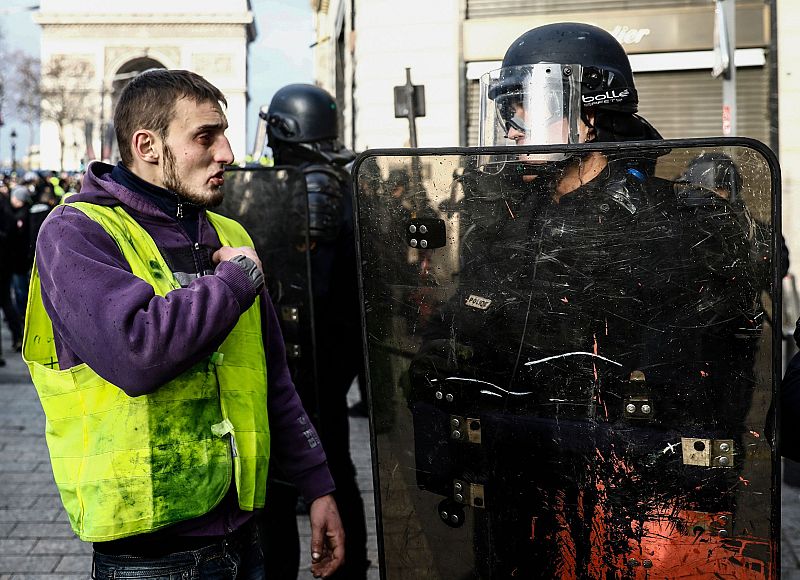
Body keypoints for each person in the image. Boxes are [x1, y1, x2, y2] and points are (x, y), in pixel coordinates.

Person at [401, 22, 764, 577]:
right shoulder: (504, 226)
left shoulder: (667, 227)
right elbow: (461, 337)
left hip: (626, 509)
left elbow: (710, 390)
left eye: (525, 105)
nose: (510, 126)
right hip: (517, 499)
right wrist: (438, 375)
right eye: (506, 107)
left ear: (588, 116)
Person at [22, 69, 344, 579]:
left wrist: (318, 486)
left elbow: (271, 379)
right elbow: (137, 354)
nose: (227, 154)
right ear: (147, 145)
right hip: (149, 550)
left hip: (243, 532)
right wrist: (234, 282)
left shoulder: (227, 231)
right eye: (205, 136)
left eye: (225, 134)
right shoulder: (75, 233)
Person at [257, 84, 370, 580]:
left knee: (292, 476)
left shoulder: (314, 186)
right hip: (334, 347)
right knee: (332, 464)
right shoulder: (342, 178)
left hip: (311, 350)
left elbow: (309, 284)